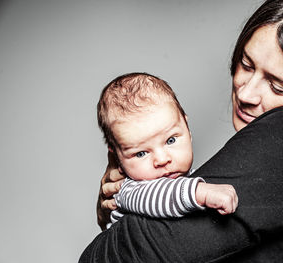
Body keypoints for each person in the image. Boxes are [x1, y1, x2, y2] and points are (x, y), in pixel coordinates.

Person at [80, 0, 283, 263]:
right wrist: (126, 200)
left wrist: (124, 211)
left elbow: (121, 258)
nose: (247, 93)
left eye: (278, 86)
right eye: (246, 63)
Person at [96, 72, 238, 226]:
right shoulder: (128, 191)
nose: (162, 160)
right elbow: (158, 196)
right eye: (141, 153)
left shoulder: (191, 178)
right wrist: (200, 193)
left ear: (187, 128)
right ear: (117, 157)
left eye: (170, 140)